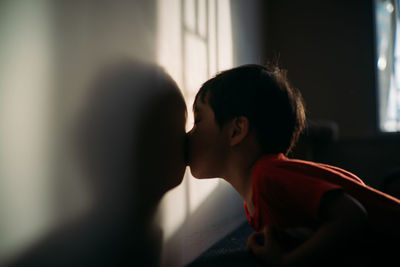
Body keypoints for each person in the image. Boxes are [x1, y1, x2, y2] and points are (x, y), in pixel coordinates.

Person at [186, 64, 400, 265]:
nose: (188, 135)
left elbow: (353, 215)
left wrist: (286, 262)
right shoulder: (256, 197)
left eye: (198, 121)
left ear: (236, 130)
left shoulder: (267, 176)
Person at [4, 59, 187, 267]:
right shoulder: (75, 253)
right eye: (163, 133)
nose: (186, 142)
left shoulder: (145, 238)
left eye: (181, 129)